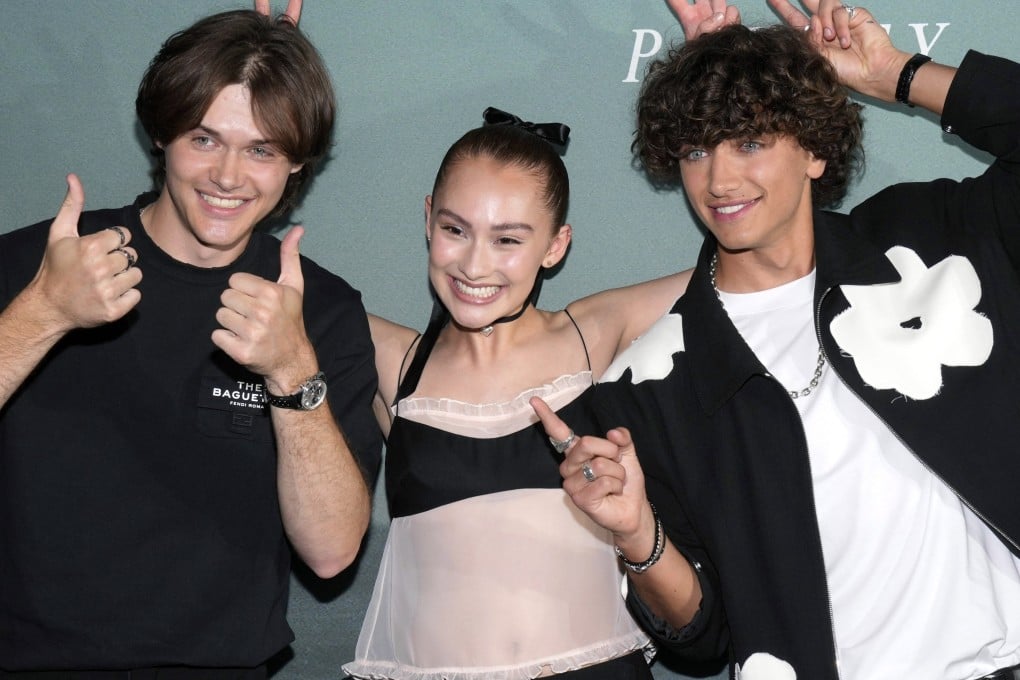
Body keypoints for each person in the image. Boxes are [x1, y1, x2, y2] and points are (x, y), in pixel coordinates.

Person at [533, 0, 1020, 678]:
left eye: (751, 142)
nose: (719, 179)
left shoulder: (931, 242)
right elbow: (700, 639)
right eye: (697, 150)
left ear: (815, 151)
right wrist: (638, 539)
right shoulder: (650, 386)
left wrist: (897, 74)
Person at [0, 3, 381, 676]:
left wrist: (292, 373)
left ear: (296, 165)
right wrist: (43, 315)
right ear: (161, 136)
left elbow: (330, 553)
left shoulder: (319, 312)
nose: (229, 177)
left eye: (261, 149)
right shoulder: (37, 264)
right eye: (204, 139)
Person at [341, 110, 692, 679]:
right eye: (456, 229)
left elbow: (763, 263)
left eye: (507, 240)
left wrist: (724, 114)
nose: (475, 264)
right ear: (428, 219)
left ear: (555, 246)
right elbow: (239, 264)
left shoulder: (593, 334)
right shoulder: (392, 361)